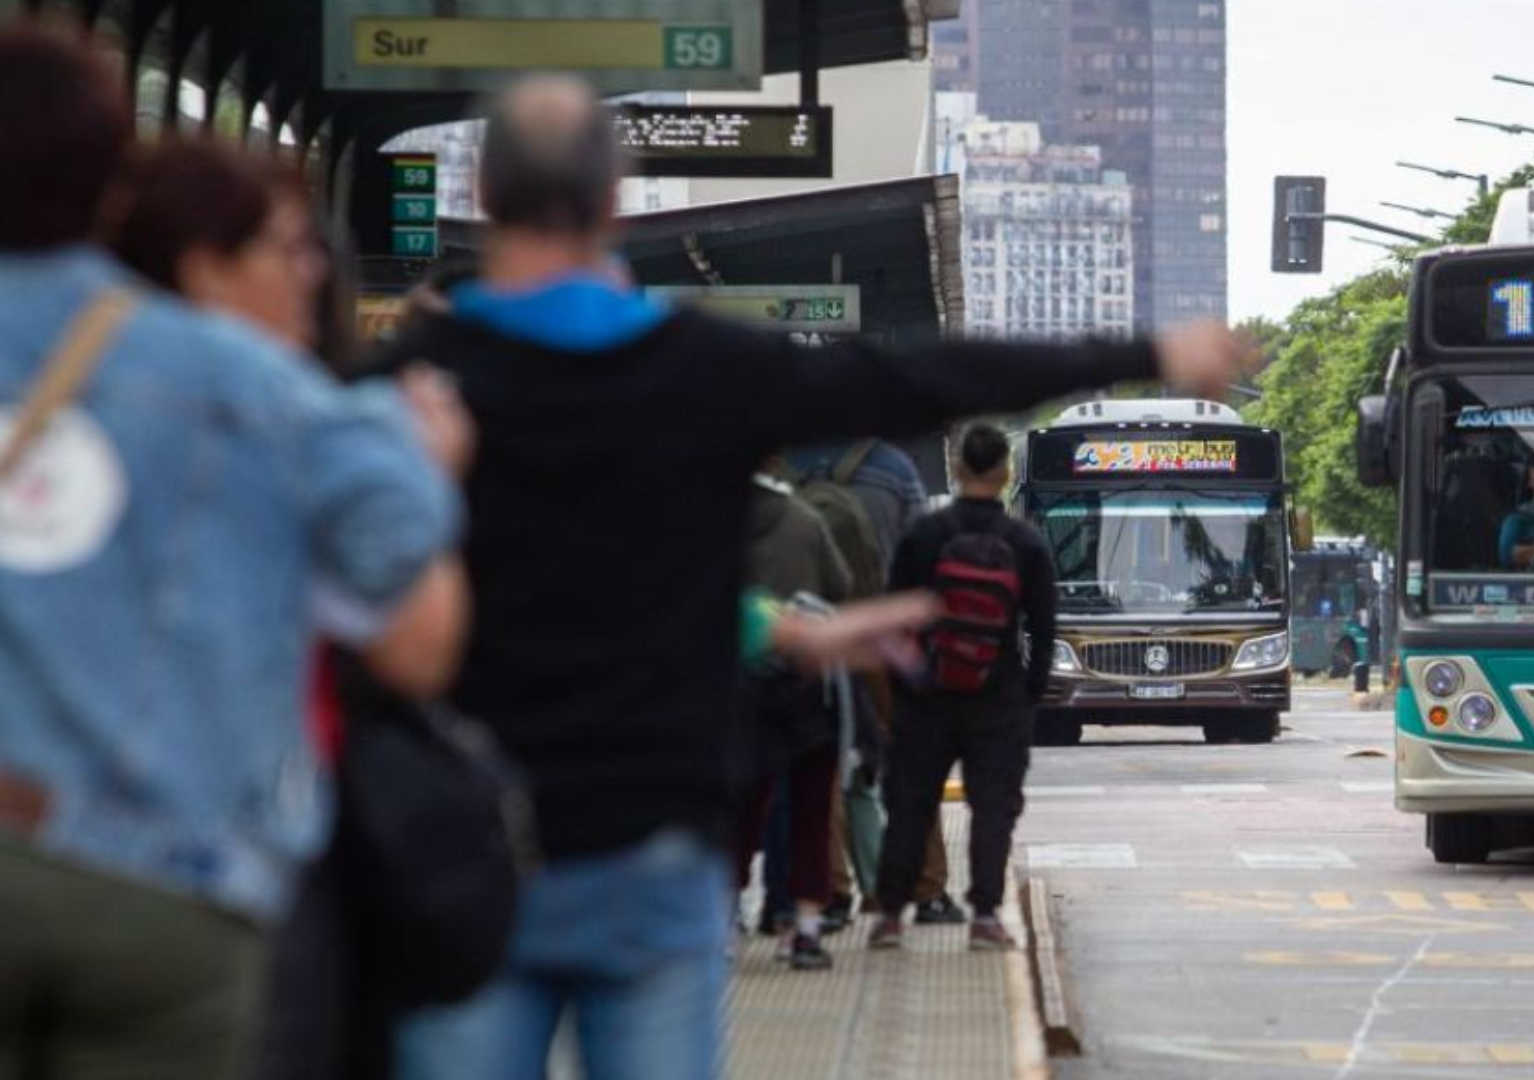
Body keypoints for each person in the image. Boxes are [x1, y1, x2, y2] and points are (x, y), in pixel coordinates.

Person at [382, 74, 1249, 1080]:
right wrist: (1148, 349)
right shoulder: (703, 368)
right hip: (652, 843)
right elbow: (926, 374)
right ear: (616, 200)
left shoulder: (411, 382)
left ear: (482, 194)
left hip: (466, 846)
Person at [0, 23, 460, 1080]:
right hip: (160, 883)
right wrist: (428, 460)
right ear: (109, 180)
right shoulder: (241, 381)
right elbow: (411, 619)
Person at [105, 137, 475, 1080]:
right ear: (204, 264)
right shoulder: (306, 423)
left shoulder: (71, 403)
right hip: (250, 862)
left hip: (76, 858)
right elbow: (414, 648)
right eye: (286, 246)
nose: (311, 269)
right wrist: (430, 485)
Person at [869, 425, 1054, 951]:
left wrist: (906, 683)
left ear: (956, 469)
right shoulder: (1024, 543)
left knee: (911, 804)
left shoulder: (925, 535)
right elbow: (1043, 629)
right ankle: (986, 917)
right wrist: (1028, 694)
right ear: (1004, 473)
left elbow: (894, 615)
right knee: (993, 807)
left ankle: (889, 917)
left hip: (927, 695)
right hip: (997, 698)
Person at [783, 439, 966, 926]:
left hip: (814, 637)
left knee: (820, 763)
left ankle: (828, 893)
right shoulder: (893, 467)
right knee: (912, 758)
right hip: (886, 637)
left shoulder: (791, 463)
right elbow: (920, 550)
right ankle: (926, 891)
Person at [736, 467, 852, 970]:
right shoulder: (806, 520)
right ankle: (803, 931)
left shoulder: (714, 519)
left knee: (737, 812)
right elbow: (841, 585)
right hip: (806, 688)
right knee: (808, 812)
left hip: (738, 690)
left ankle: (722, 927)